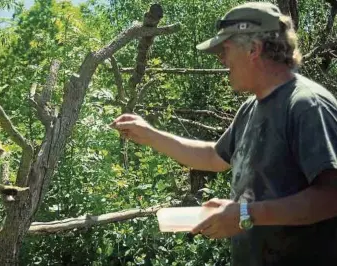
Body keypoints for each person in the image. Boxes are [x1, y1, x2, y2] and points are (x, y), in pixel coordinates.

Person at [110, 2, 337, 265]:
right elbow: (213, 157)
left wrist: (245, 213)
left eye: (225, 50)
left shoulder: (307, 105)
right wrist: (149, 134)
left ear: (254, 49)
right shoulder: (251, 108)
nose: (221, 60)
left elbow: (331, 196)